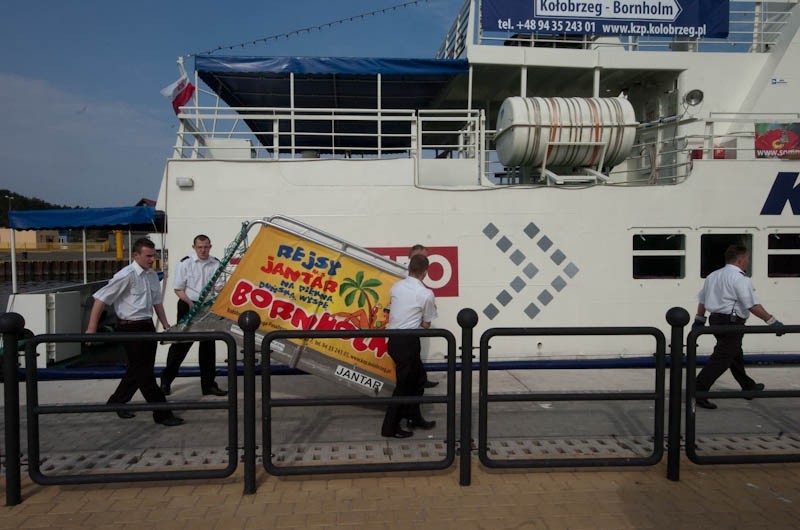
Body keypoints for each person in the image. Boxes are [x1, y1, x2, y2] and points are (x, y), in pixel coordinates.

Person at [85, 238, 184, 426]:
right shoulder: (125, 276)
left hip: (147, 326)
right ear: (136, 255)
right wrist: (91, 329)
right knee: (145, 374)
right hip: (129, 327)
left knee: (137, 370)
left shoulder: (153, 276)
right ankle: (162, 414)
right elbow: (100, 299)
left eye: (153, 256)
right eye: (147, 256)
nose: (151, 259)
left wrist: (165, 325)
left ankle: (116, 402)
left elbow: (157, 303)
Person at [692, 244, 784, 410]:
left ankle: (748, 386)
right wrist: (772, 321)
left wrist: (699, 320)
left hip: (715, 320)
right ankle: (698, 391)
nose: (747, 262)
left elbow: (703, 300)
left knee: (734, 355)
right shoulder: (740, 279)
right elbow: (752, 304)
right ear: (741, 260)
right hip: (732, 322)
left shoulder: (713, 276)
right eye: (747, 259)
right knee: (722, 358)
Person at [160, 235, 227, 397]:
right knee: (181, 345)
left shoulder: (216, 264)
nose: (203, 250)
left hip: (207, 308)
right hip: (188, 304)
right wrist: (189, 302)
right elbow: (178, 288)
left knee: (208, 347)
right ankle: (165, 381)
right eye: (200, 247)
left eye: (206, 247)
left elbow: (218, 287)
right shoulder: (185, 263)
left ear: (210, 247)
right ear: (194, 247)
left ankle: (208, 384)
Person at [381, 254, 438, 438]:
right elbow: (427, 324)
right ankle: (389, 427)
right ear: (425, 272)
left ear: (409, 268)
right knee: (404, 387)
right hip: (408, 342)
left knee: (418, 379)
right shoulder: (426, 293)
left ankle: (414, 417)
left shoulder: (396, 287)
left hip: (394, 341)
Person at [408, 244, 439, 389]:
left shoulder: (414, 277)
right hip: (405, 323)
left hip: (409, 321)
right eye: (422, 257)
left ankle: (420, 380)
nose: (424, 260)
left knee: (414, 354)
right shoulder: (404, 275)